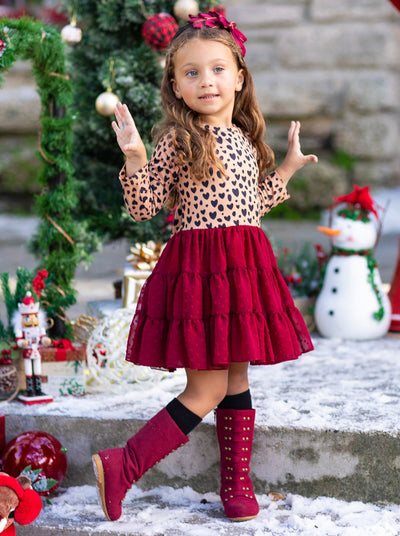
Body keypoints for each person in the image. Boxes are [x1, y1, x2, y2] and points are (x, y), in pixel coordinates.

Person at [92, 10, 318, 523]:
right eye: (191, 73)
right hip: (201, 270)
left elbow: (250, 205)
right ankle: (124, 463)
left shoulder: (244, 137)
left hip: (243, 265)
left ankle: (236, 484)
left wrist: (286, 168)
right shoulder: (180, 138)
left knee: (236, 376)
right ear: (176, 85)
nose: (206, 81)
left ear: (239, 77)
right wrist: (135, 156)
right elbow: (145, 205)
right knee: (207, 388)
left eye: (217, 69)